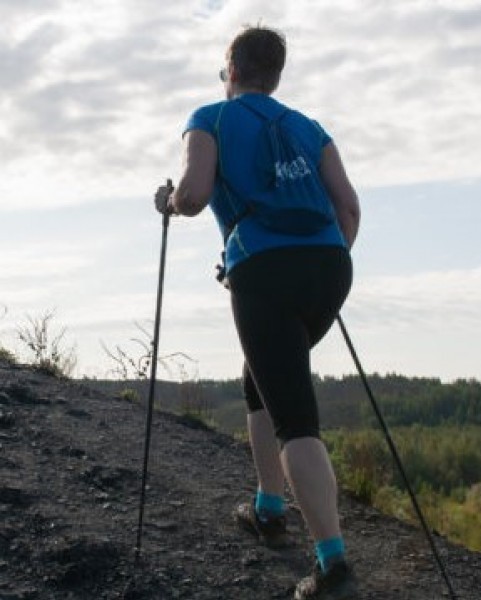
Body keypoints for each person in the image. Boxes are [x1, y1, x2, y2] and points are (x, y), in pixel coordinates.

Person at [155, 25, 360, 600]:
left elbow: (193, 197)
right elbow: (347, 205)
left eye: (225, 73)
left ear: (233, 71)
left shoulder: (210, 119)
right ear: (275, 75)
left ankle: (333, 565)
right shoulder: (309, 127)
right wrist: (322, 265)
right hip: (330, 266)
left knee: (295, 415)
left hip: (266, 272)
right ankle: (269, 507)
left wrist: (168, 201)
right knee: (261, 380)